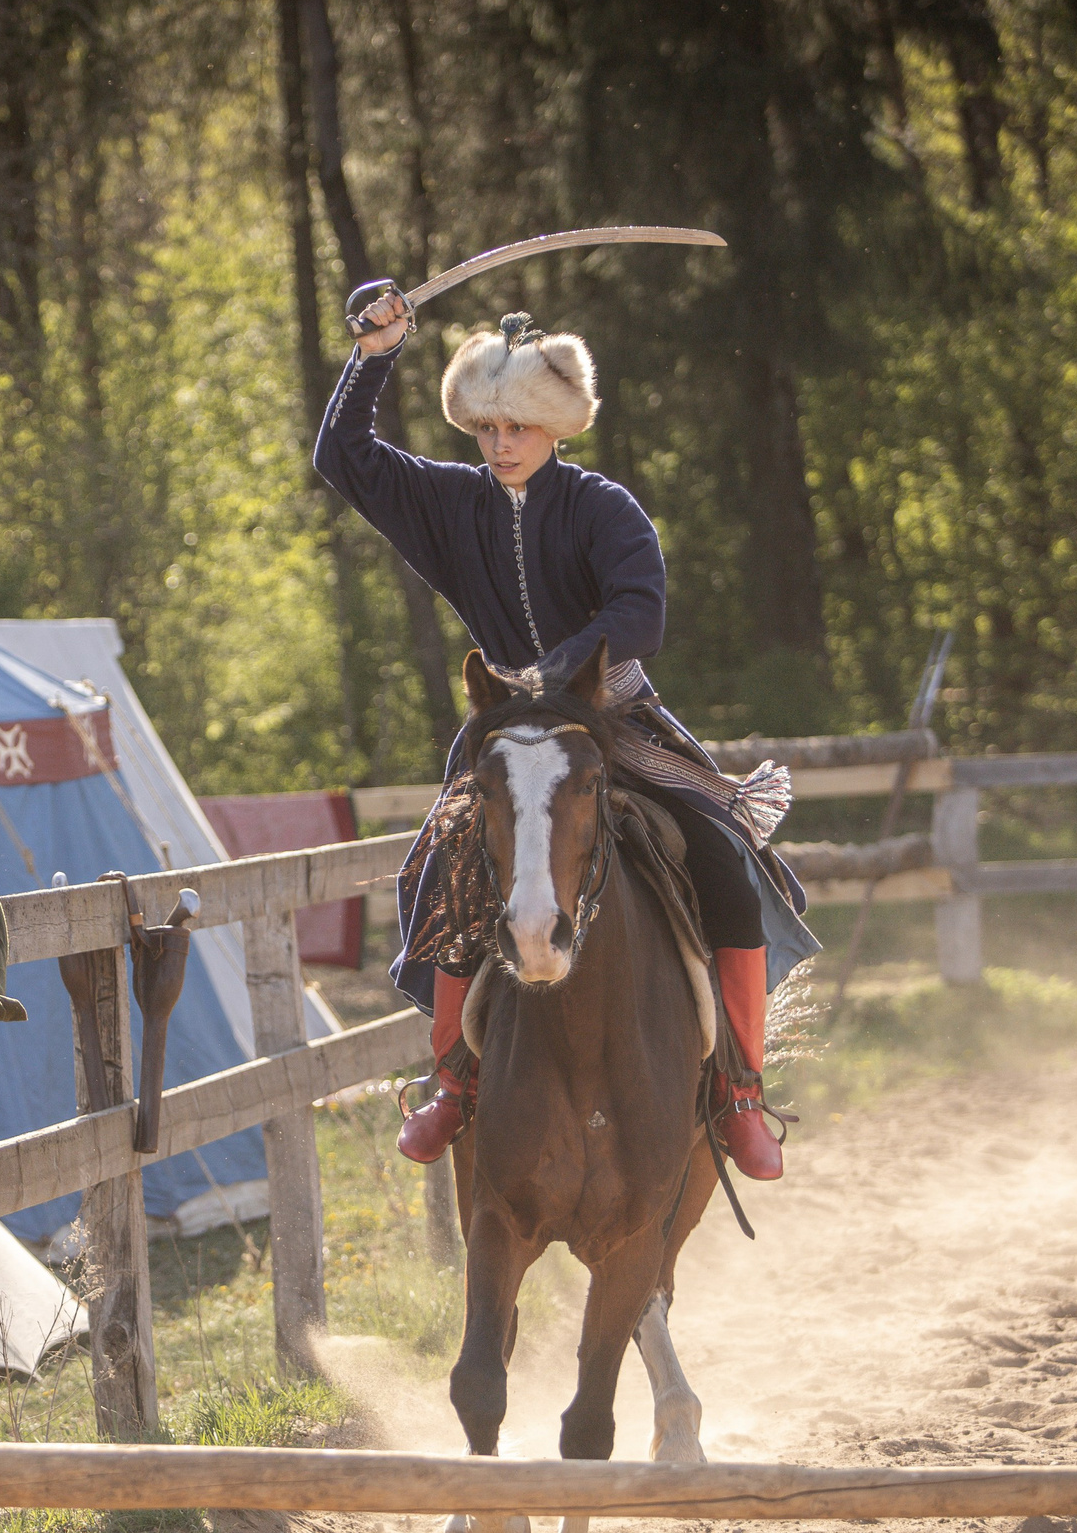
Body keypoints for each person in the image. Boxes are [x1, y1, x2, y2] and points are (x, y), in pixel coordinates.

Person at [315, 296, 819, 1180]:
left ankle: (740, 1092)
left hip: (614, 722)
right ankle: (453, 1082)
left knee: (726, 865)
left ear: (554, 428)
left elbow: (641, 613)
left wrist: (560, 673)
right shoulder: (449, 502)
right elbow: (343, 456)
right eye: (488, 426)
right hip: (508, 741)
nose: (502, 443)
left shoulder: (603, 506)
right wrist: (375, 356)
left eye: (521, 426)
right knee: (444, 873)